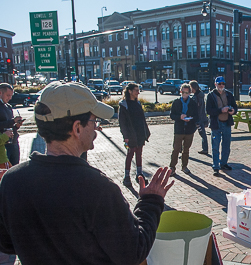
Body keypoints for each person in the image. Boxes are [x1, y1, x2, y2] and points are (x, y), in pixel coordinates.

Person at [0, 82, 174, 264]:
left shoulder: (12, 181)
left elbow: (6, 243)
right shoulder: (98, 188)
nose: (96, 130)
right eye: (94, 121)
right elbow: (133, 252)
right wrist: (150, 202)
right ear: (77, 128)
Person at [119, 82, 151, 187]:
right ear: (130, 91)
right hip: (131, 134)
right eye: (136, 90)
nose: (138, 92)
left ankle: (139, 174)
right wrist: (126, 136)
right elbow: (122, 122)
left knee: (139, 153)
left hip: (140, 133)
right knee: (130, 154)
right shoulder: (124, 105)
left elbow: (142, 119)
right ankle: (127, 176)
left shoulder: (137, 103)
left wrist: (146, 131)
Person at [206, 76, 238, 177]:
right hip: (216, 123)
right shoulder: (211, 95)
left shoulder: (228, 94)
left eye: (223, 84)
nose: (221, 86)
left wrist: (233, 111)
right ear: (215, 84)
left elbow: (235, 106)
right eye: (219, 84)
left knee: (226, 145)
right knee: (215, 146)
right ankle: (216, 166)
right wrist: (221, 110)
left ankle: (224, 163)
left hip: (226, 122)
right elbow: (208, 111)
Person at [169, 84, 199, 176]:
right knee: (176, 149)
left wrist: (191, 118)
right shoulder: (176, 102)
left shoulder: (193, 103)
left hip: (189, 129)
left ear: (189, 93)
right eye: (183, 92)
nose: (184, 94)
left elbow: (197, 116)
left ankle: (184, 166)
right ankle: (172, 167)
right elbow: (172, 115)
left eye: (187, 92)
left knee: (186, 149)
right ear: (180, 92)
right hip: (179, 129)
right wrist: (180, 117)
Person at [0, 83, 24, 166]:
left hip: (13, 142)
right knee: (5, 170)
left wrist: (16, 126)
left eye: (11, 96)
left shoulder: (8, 106)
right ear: (0, 93)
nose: (10, 98)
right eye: (8, 95)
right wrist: (13, 121)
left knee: (15, 167)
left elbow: (9, 125)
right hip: (3, 144)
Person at [190, 80, 209, 155]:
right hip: (201, 117)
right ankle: (205, 149)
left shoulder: (195, 97)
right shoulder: (201, 95)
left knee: (189, 133)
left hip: (197, 119)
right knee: (203, 134)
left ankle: (182, 148)